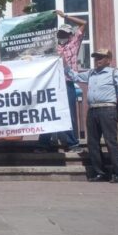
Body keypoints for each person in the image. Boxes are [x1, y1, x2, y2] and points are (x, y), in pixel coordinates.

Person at [65, 48, 118, 183]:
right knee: (93, 143)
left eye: (101, 57)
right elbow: (75, 76)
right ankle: (100, 173)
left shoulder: (114, 73)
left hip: (108, 109)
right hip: (93, 110)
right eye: (96, 57)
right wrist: (64, 66)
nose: (98, 60)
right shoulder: (91, 73)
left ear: (108, 59)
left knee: (110, 141)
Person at [36, 10, 86, 153]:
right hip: (51, 84)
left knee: (68, 113)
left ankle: (72, 144)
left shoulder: (74, 43)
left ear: (70, 35)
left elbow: (84, 23)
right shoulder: (52, 46)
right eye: (60, 33)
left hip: (67, 82)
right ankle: (43, 144)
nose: (62, 36)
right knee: (48, 112)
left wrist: (65, 16)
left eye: (65, 34)